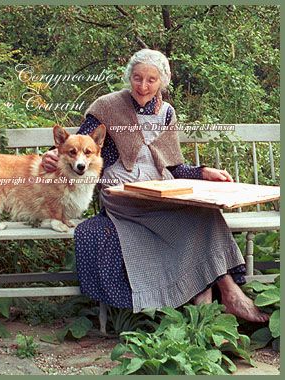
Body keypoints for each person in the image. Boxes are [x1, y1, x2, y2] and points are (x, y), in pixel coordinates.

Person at [42, 49, 268, 322]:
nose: (143, 86)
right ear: (129, 77)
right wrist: (52, 154)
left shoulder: (166, 113)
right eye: (137, 78)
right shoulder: (107, 106)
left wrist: (203, 171)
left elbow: (172, 166)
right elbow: (78, 144)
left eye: (151, 80)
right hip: (121, 193)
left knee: (204, 212)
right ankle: (224, 296)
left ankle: (213, 297)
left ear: (163, 81)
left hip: (162, 190)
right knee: (190, 216)